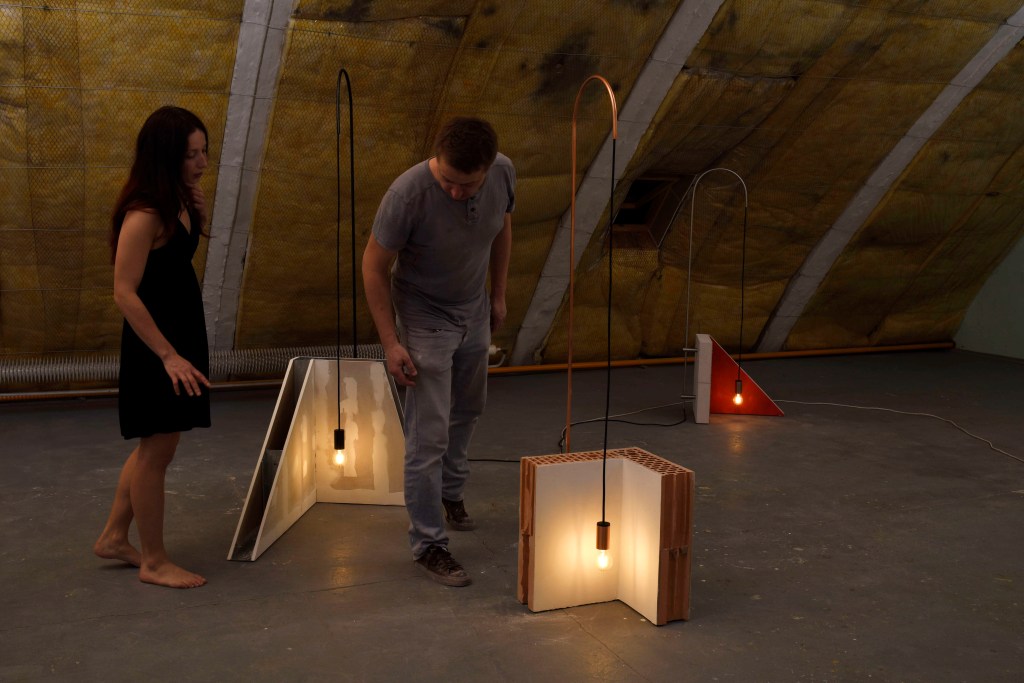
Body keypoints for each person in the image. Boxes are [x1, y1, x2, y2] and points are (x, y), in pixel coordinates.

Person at [362, 117, 514, 587]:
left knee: (468, 408)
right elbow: (373, 266)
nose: (455, 191)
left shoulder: (504, 172)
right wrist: (391, 343)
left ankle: (450, 493)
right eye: (447, 180)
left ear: (487, 168)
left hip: (474, 309)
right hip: (425, 317)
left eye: (467, 185)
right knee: (427, 435)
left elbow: (502, 228)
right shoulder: (407, 195)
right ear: (437, 158)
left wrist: (498, 294)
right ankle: (428, 543)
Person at [93, 106, 212, 589]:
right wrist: (168, 355)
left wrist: (198, 216)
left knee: (158, 445)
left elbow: (174, 263)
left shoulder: (179, 198)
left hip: (178, 335)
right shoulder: (144, 213)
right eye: (190, 155)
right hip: (156, 345)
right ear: (165, 156)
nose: (201, 163)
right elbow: (124, 291)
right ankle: (154, 561)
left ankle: (113, 537)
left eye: (204, 151)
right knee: (156, 451)